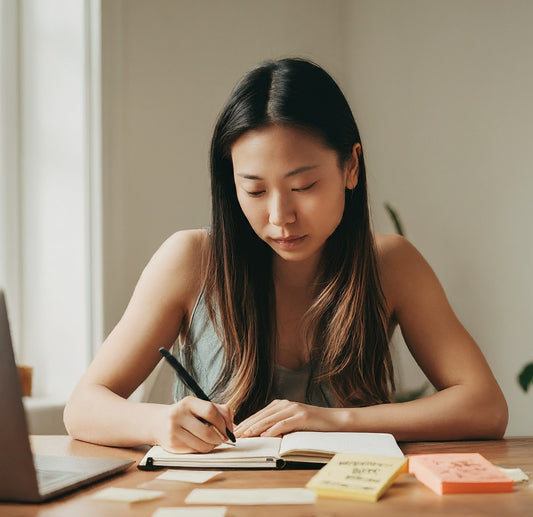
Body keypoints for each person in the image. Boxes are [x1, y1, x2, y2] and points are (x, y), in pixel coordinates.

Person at [64, 58, 508, 453]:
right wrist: (160, 422)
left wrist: (335, 422)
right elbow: (83, 406)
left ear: (351, 166)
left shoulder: (391, 265)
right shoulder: (191, 259)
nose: (280, 217)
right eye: (254, 190)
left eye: (303, 187)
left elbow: (485, 405)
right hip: (213, 509)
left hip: (350, 509)